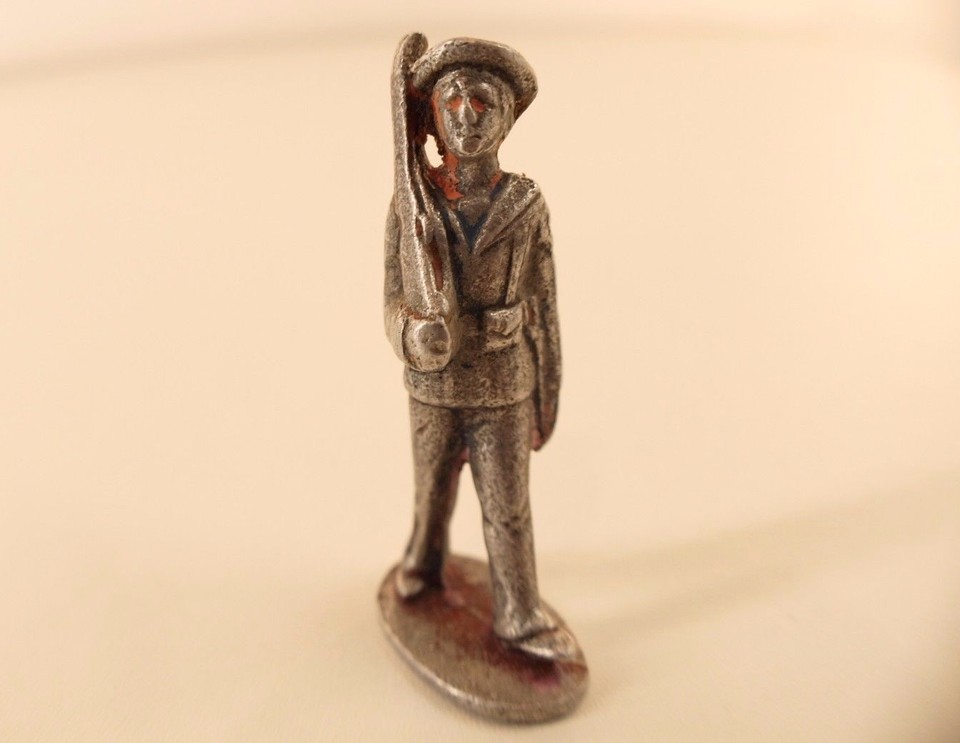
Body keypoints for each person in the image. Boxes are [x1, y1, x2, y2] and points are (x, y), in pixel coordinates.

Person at [383, 38, 574, 661]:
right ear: (432, 116)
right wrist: (413, 335)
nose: (467, 115)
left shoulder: (526, 204)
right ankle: (423, 564)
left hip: (503, 384)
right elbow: (392, 301)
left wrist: (544, 389)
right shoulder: (412, 204)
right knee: (431, 492)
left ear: (507, 117)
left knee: (508, 508)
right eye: (452, 101)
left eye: (484, 102)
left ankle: (519, 614)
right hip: (434, 386)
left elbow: (545, 301)